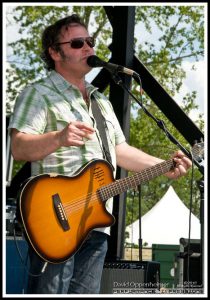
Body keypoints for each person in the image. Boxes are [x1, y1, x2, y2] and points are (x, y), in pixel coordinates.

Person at [8, 14, 192, 294]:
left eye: (90, 42)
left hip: (96, 223)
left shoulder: (100, 101)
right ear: (55, 52)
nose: (88, 49)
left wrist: (165, 165)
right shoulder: (39, 93)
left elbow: (120, 151)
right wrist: (58, 137)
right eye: (78, 43)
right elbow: (19, 147)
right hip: (55, 223)